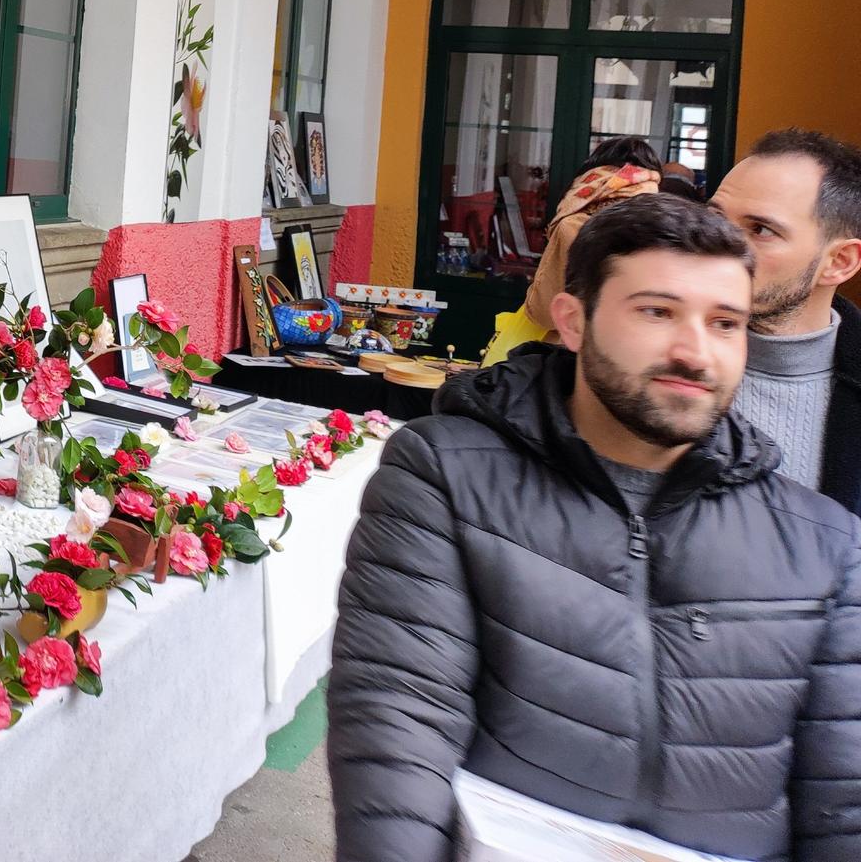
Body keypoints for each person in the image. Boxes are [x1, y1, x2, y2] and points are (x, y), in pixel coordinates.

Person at [329, 195, 861, 861]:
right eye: (657, 311)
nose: (695, 351)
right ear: (574, 321)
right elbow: (397, 728)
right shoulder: (449, 475)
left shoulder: (824, 543)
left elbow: (843, 799)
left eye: (726, 322)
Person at [709, 128, 861, 509]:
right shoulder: (645, 351)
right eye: (714, 218)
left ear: (838, 262)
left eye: (760, 230)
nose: (716, 243)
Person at [521, 135, 662, 332]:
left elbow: (544, 312)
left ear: (593, 175)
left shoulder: (575, 225)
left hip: (577, 351)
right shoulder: (663, 225)